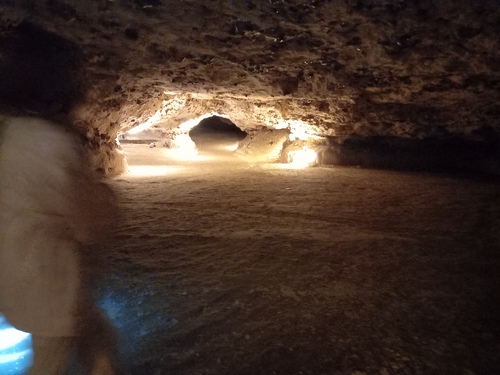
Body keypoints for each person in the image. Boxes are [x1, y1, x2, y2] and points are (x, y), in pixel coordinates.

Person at [0, 23, 120, 374]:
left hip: (9, 266)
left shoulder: (7, 129)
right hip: (47, 275)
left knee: (96, 340)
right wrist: (106, 202)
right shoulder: (51, 142)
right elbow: (88, 221)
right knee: (50, 360)